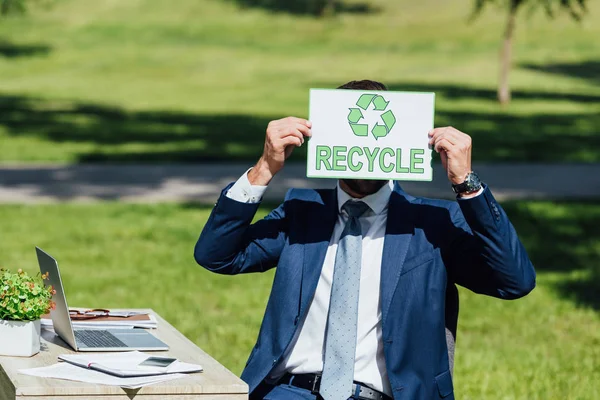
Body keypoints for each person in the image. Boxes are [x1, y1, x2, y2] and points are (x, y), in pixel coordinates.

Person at [194, 80, 536, 400]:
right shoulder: (303, 211)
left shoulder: (434, 222)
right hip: (288, 391)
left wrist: (467, 183)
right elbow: (217, 255)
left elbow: (514, 282)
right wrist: (264, 169)